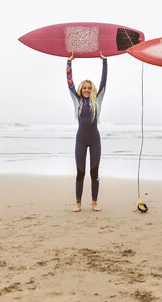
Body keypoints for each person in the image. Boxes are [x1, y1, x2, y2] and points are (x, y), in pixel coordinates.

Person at [66, 52, 107, 212]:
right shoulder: (77, 101)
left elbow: (104, 81)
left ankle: (94, 203)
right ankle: (78, 204)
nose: (87, 90)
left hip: (95, 139)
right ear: (81, 89)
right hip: (80, 140)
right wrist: (69, 63)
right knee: (80, 172)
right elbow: (70, 83)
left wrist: (104, 62)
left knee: (94, 172)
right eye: (85, 88)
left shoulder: (98, 100)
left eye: (89, 88)